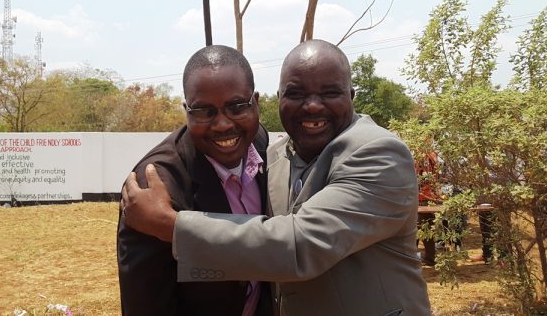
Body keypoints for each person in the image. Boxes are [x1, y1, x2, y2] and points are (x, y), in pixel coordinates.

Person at [122, 39, 431, 316]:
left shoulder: (379, 154)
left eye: (329, 92)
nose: (311, 105)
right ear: (278, 98)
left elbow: (300, 243)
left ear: (351, 96)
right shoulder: (272, 155)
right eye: (295, 93)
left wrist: (172, 226)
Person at [116, 45, 274, 316]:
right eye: (204, 111)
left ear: (255, 102)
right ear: (186, 110)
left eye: (236, 107)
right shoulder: (154, 190)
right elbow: (146, 305)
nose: (223, 124)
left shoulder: (259, 143)